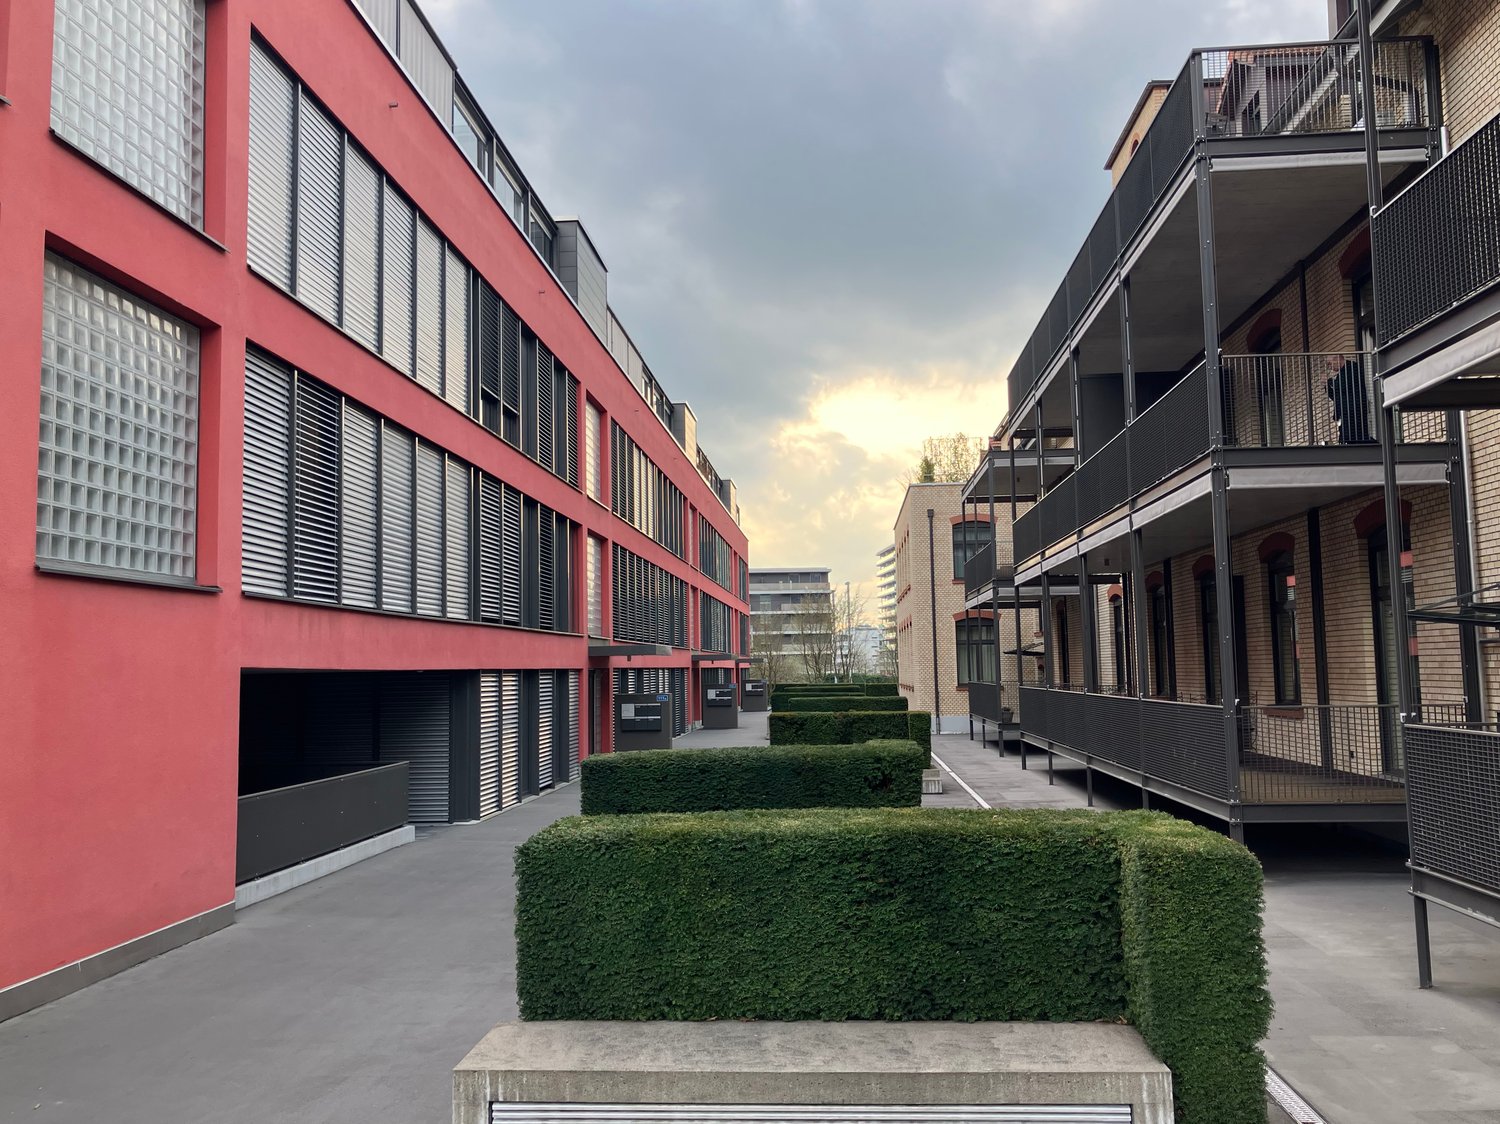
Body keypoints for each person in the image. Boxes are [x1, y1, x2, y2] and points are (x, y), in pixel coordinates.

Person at [1325, 353, 1373, 444]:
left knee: (1355, 435)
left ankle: (1373, 446)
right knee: (1346, 435)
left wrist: (1329, 381)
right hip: (1345, 411)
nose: (1329, 367)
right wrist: (1326, 385)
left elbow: (1342, 386)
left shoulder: (1352, 368)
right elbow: (1336, 395)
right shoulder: (1341, 373)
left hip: (1354, 409)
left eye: (1329, 363)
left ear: (1337, 360)